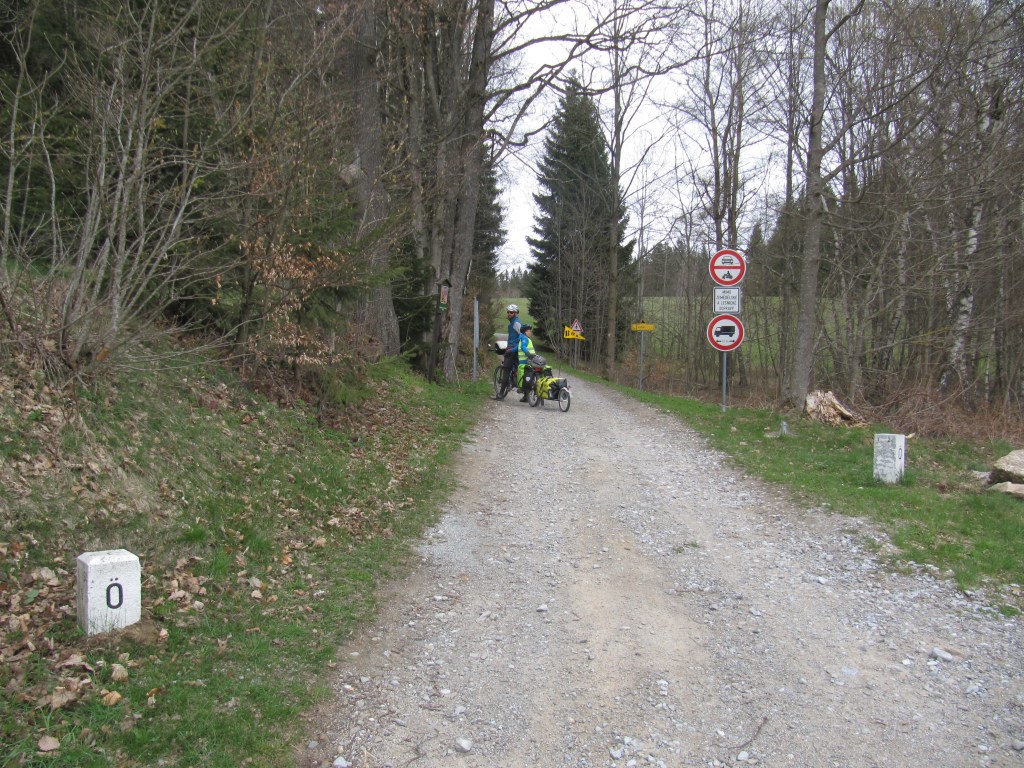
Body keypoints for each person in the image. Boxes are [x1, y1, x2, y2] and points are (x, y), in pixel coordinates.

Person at [497, 304, 521, 399]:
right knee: (518, 369)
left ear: (516, 313)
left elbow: (522, 335)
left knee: (506, 370)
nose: (509, 314)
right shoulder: (512, 323)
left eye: (511, 312)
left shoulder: (516, 323)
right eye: (508, 312)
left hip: (513, 349)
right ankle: (526, 395)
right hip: (514, 348)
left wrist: (514, 347)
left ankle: (501, 394)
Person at [516, 324, 537, 402]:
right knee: (527, 378)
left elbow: (518, 347)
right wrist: (528, 354)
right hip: (527, 361)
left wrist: (510, 351)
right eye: (528, 331)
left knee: (526, 378)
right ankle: (526, 395)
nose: (530, 332)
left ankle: (525, 395)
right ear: (524, 332)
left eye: (530, 331)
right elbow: (523, 347)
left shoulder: (523, 338)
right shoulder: (524, 338)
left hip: (528, 361)